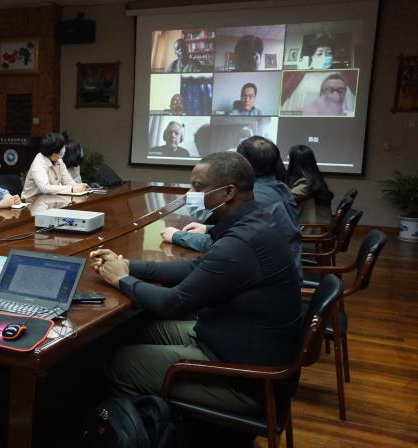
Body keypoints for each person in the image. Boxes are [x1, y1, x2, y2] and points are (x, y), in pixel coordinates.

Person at [90, 151, 302, 415]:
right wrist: (130, 266)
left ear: (228, 192)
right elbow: (195, 268)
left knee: (119, 364)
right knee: (134, 328)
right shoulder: (254, 222)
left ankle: (146, 426)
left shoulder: (241, 243)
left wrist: (121, 278)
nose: (190, 194)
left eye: (198, 188)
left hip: (246, 378)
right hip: (227, 337)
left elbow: (172, 302)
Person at [162, 136, 302, 277]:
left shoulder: (255, 198)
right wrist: (207, 229)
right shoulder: (279, 187)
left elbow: (225, 244)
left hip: (268, 279)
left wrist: (177, 236)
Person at [21, 132, 88, 198]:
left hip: (50, 199)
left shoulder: (59, 160)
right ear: (54, 152)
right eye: (62, 147)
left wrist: (79, 187)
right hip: (32, 201)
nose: (64, 149)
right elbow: (45, 188)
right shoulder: (38, 163)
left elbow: (68, 181)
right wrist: (72, 189)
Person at [287, 144, 334, 225]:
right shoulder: (314, 178)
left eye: (290, 158)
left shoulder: (307, 184)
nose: (288, 159)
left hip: (312, 227)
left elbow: (285, 198)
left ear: (294, 163)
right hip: (313, 223)